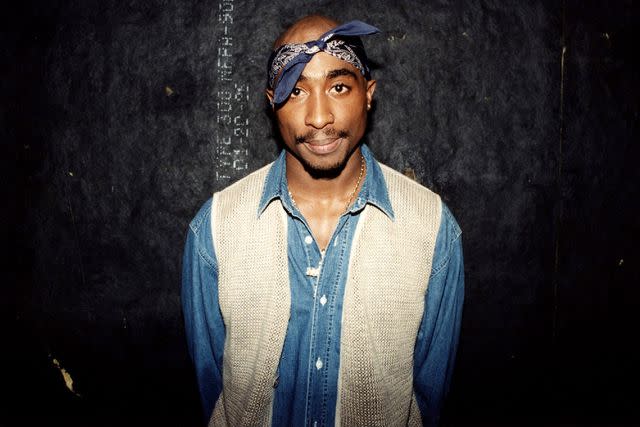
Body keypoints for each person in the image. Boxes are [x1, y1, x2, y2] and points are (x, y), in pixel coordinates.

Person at [182, 14, 464, 427]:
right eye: (296, 91)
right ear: (272, 104)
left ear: (368, 94)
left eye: (338, 87)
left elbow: (429, 399)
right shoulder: (215, 230)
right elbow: (213, 394)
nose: (318, 117)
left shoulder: (433, 230)